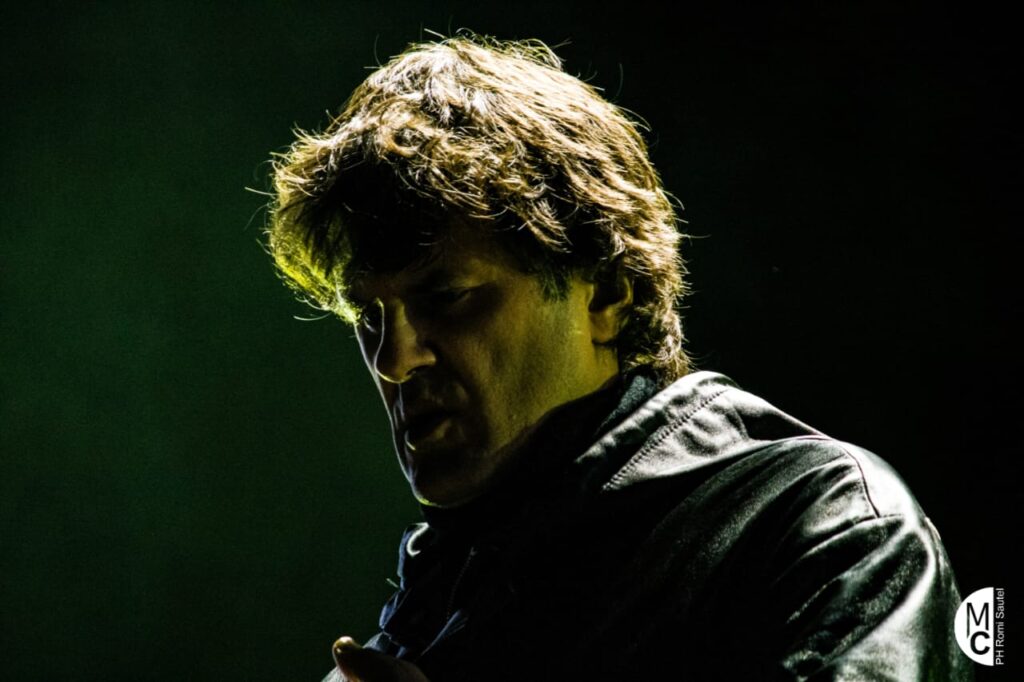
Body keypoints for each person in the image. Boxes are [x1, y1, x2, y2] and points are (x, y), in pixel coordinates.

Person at [265, 33, 971, 682]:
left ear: (606, 294)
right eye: (369, 317)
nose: (394, 360)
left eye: (445, 297)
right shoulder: (432, 602)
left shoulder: (822, 525)